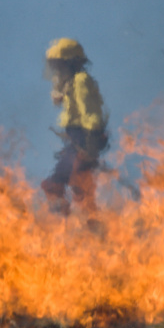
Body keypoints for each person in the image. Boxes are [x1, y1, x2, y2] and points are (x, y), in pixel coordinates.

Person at [41, 38, 109, 216]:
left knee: (64, 183)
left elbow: (91, 113)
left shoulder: (80, 81)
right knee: (68, 181)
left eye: (60, 65)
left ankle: (83, 219)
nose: (57, 70)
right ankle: (77, 217)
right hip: (77, 140)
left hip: (85, 138)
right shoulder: (70, 84)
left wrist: (90, 144)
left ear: (71, 64)